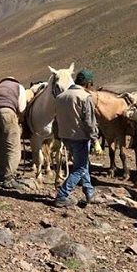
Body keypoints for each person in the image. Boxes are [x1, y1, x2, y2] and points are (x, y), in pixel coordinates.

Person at [53, 68, 100, 207]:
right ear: (88, 83)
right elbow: (89, 121)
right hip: (79, 137)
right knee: (79, 168)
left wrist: (56, 137)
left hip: (65, 136)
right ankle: (62, 195)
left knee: (82, 163)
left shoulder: (61, 97)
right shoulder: (85, 97)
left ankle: (89, 192)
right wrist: (95, 139)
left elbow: (56, 119)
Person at [0, 77, 27, 189]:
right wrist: (21, 118)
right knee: (13, 146)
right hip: (7, 112)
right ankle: (8, 177)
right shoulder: (19, 87)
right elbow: (22, 107)